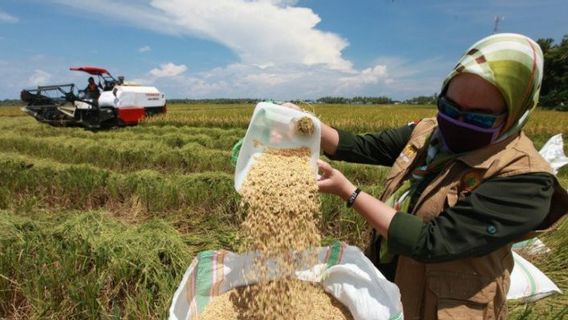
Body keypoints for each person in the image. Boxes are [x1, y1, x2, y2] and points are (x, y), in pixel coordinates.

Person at [289, 33, 568, 319]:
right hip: (391, 278)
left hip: (444, 305)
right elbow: (364, 147)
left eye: (479, 117)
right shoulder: (429, 133)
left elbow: (432, 241)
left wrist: (350, 193)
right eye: (449, 107)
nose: (456, 121)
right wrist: (307, 124)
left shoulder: (527, 180)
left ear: (515, 113)